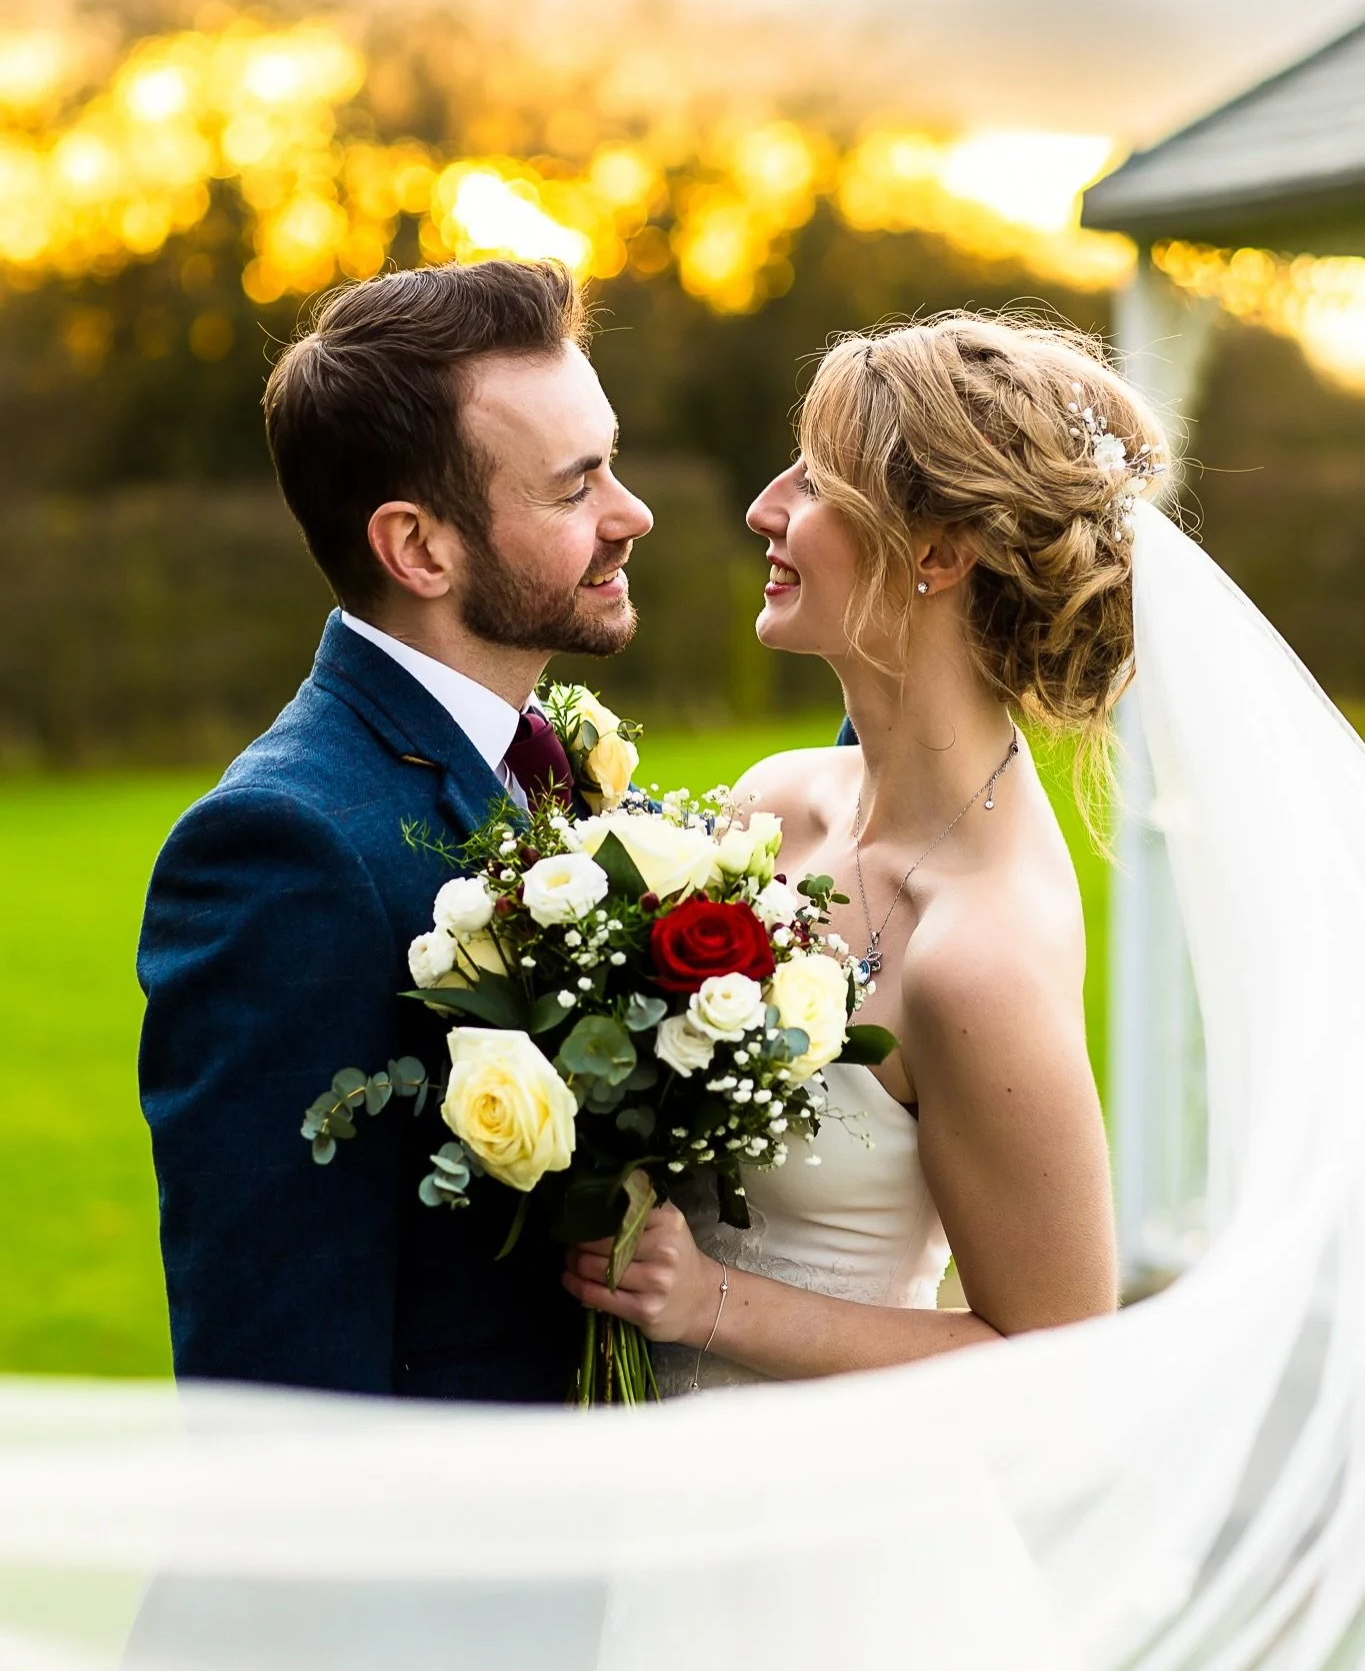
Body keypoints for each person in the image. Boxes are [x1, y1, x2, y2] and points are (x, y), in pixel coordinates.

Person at [564, 313, 1162, 1389]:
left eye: (814, 481)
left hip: (836, 1523)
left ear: (936, 551)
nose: (764, 508)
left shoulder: (979, 949)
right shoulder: (773, 805)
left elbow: (1056, 1357)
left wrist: (715, 1302)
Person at [138, 257, 652, 1402]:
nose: (633, 514)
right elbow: (275, 1382)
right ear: (419, 548)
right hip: (451, 1568)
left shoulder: (542, 762)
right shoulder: (282, 851)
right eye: (576, 489)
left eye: (610, 462)